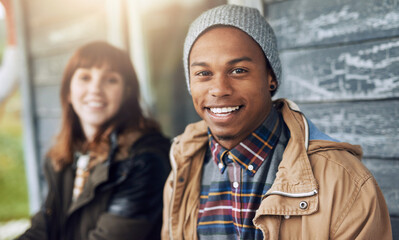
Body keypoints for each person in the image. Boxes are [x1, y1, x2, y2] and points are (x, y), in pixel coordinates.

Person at [162, 4, 392, 240]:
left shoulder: (344, 181)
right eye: (203, 73)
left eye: (238, 70)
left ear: (270, 76)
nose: (219, 89)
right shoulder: (183, 169)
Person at [18, 41, 170, 240]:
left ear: (127, 92)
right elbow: (44, 229)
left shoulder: (144, 159)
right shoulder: (66, 156)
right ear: (69, 92)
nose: (95, 89)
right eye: (85, 77)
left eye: (111, 80)